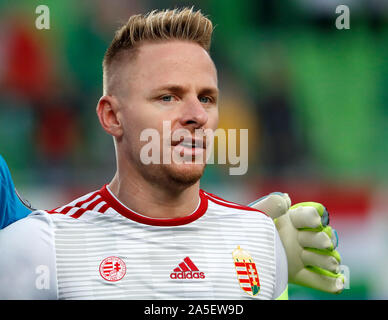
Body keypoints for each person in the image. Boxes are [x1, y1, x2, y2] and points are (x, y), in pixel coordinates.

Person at [0, 8, 343, 299]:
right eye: (168, 97)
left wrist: (253, 254)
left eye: (207, 98)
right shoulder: (38, 248)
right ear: (111, 116)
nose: (197, 115)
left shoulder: (260, 239)